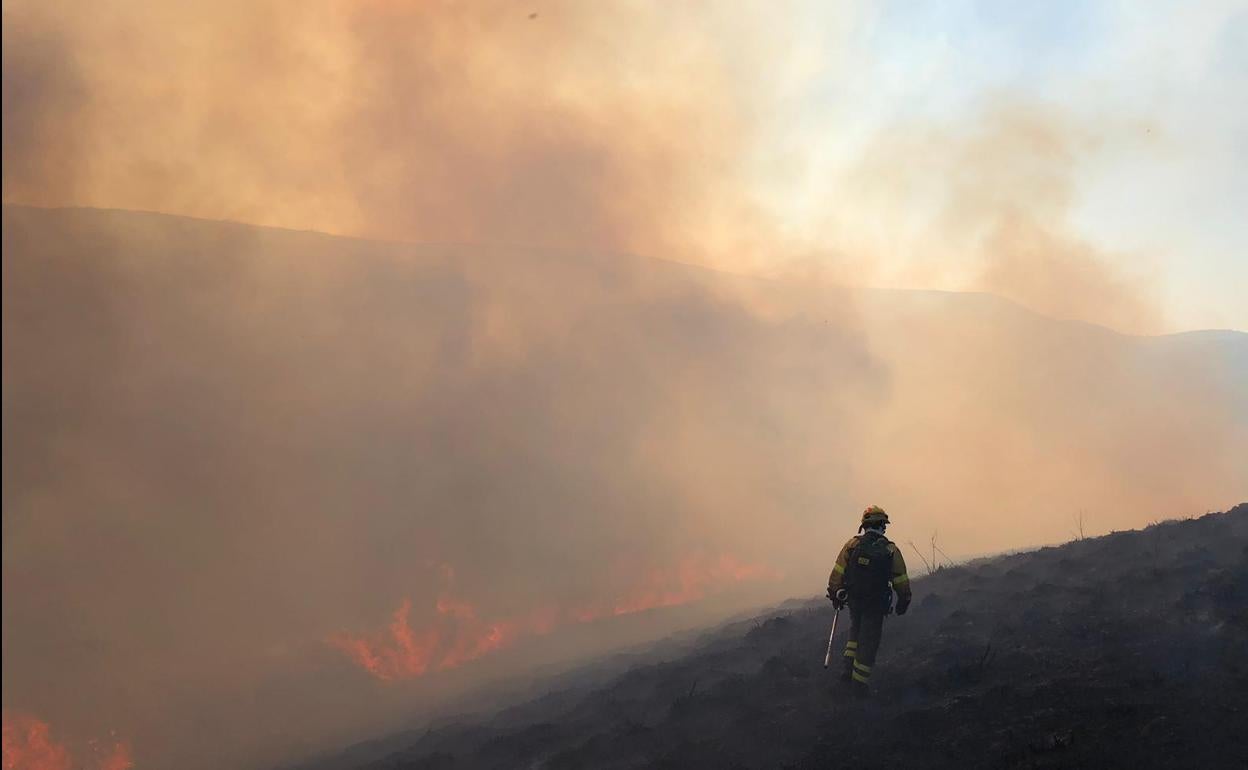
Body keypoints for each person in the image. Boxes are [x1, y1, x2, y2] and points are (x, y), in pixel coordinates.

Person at [826, 505, 911, 697]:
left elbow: (837, 572)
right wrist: (903, 600)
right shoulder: (890, 550)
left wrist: (835, 592)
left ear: (864, 526)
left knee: (854, 635)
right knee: (868, 643)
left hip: (854, 601)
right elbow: (900, 579)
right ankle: (859, 687)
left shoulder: (852, 545)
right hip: (876, 604)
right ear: (882, 526)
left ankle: (846, 673)